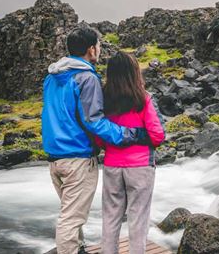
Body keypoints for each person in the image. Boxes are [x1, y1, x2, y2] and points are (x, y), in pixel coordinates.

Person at [42, 26, 147, 254]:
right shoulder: (87, 78)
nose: (99, 50)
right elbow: (94, 121)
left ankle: (78, 248)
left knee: (69, 212)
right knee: (71, 218)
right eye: (99, 46)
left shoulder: (51, 78)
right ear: (91, 49)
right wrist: (131, 134)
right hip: (77, 157)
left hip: (54, 158)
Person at [99, 51, 165, 254]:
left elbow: (100, 136)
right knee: (138, 220)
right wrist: (139, 135)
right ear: (134, 72)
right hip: (140, 167)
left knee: (110, 218)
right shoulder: (142, 98)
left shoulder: (104, 100)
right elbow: (157, 135)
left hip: (112, 165)